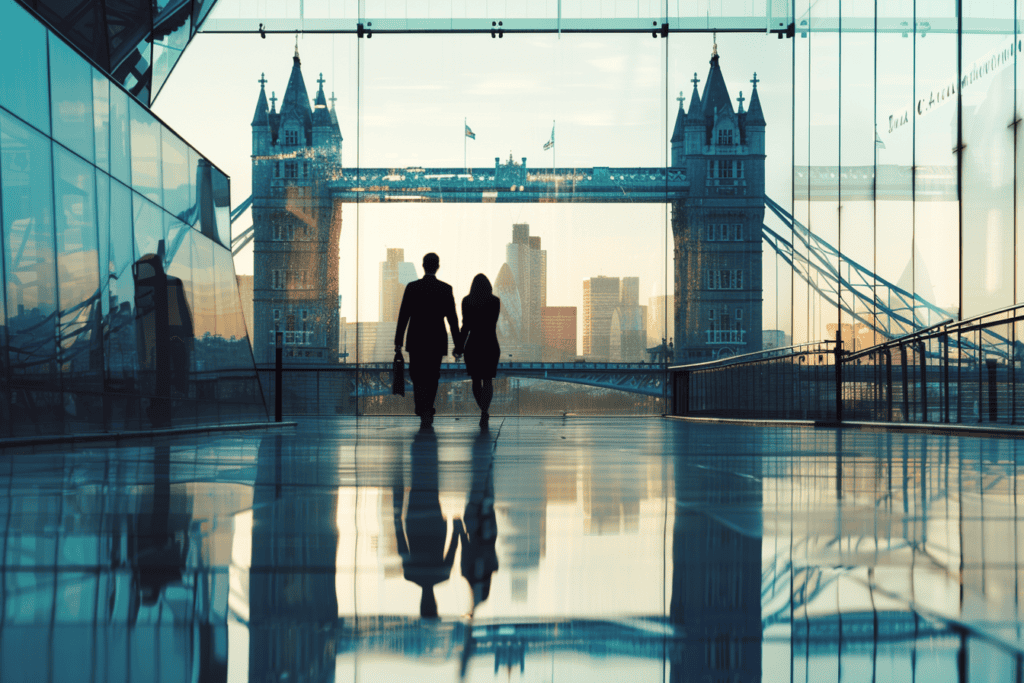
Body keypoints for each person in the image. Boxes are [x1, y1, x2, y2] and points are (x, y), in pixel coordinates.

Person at [395, 253, 463, 428]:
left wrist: (398, 342)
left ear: (423, 266)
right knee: (432, 376)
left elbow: (403, 316)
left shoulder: (412, 287)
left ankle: (421, 407)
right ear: (437, 266)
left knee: (417, 375)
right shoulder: (445, 289)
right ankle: (427, 408)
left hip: (416, 340)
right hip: (436, 340)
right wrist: (458, 344)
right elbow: (453, 320)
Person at [460, 274, 501, 427]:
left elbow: (465, 326)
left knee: (476, 380)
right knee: (488, 380)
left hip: (473, 345)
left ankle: (483, 410)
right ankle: (485, 411)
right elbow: (492, 322)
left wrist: (459, 346)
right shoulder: (495, 301)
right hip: (490, 344)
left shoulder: (467, 301)